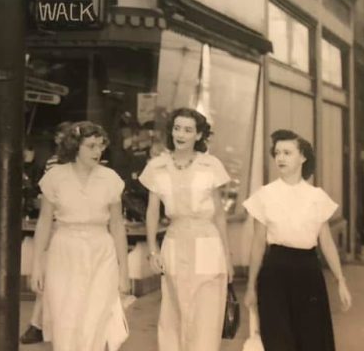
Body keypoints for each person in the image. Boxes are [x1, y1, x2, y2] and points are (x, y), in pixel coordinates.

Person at [243, 129, 352, 351]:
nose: (280, 158)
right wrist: (250, 286)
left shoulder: (317, 197)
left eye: (287, 152)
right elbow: (257, 245)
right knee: (278, 340)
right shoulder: (265, 195)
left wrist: (341, 280)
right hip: (275, 272)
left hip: (308, 271)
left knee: (312, 340)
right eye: (277, 153)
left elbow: (327, 242)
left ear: (303, 157)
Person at [139, 107, 233, 351]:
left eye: (188, 130)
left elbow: (219, 214)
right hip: (174, 240)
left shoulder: (211, 165)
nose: (181, 134)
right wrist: (152, 250)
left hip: (207, 240)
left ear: (199, 135)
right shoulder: (157, 166)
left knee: (206, 311)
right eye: (177, 128)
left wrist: (227, 256)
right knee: (174, 310)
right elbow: (152, 211)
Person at [31, 121, 130, 351]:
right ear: (75, 146)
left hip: (101, 251)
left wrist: (123, 271)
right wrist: (37, 265)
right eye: (91, 146)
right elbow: (45, 222)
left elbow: (116, 225)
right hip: (64, 250)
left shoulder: (110, 178)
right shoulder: (55, 177)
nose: (98, 151)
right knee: (65, 318)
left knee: (96, 318)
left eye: (101, 145)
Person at [21, 120, 72, 344]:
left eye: (65, 137)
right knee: (51, 276)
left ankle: (40, 324)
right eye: (59, 137)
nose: (60, 141)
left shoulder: (87, 164)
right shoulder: (54, 163)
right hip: (56, 225)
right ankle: (38, 323)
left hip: (70, 226)